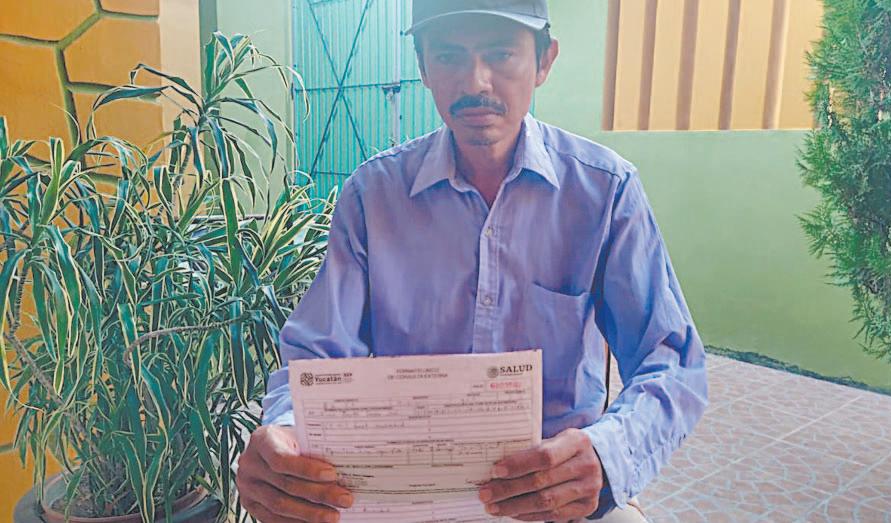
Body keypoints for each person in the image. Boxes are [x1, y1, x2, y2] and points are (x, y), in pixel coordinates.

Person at [236, 1, 708, 521]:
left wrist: (605, 453)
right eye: (449, 56)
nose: (475, 81)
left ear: (544, 61)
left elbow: (672, 361)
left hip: (556, 498)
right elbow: (316, 356)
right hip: (402, 494)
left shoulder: (604, 192)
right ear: (423, 68)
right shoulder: (373, 197)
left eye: (501, 54)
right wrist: (286, 432)